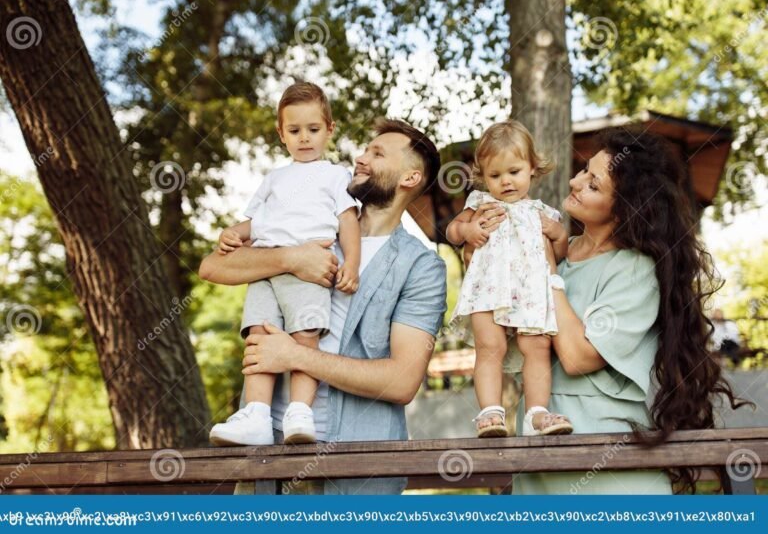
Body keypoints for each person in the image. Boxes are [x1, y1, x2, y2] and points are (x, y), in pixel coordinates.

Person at [198, 118, 447, 494]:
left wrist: (294, 356)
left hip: (360, 462)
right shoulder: (309, 222)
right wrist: (291, 258)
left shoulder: (421, 266)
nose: (361, 159)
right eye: (365, 150)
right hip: (268, 449)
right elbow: (212, 266)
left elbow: (401, 381)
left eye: (377, 153)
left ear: (410, 178)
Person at [504, 127, 745, 494]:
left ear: (624, 209)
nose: (574, 182)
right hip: (538, 460)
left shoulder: (633, 269)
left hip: (609, 467)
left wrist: (547, 272)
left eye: (593, 185)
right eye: (584, 170)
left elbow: (578, 357)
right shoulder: (558, 252)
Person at [208, 82, 361, 446]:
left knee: (305, 334)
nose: (304, 138)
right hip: (266, 269)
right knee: (258, 336)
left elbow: (348, 221)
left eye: (313, 129)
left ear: (330, 129)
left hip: (308, 266)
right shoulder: (273, 179)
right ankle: (256, 415)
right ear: (281, 133)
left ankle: (299, 412)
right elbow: (256, 224)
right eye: (294, 130)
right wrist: (232, 233)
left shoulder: (335, 175)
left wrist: (352, 263)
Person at [446, 121, 572, 438]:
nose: (505, 181)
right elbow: (452, 231)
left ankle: (536, 414)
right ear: (483, 177)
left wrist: (559, 234)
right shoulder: (480, 204)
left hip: (531, 292)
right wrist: (468, 230)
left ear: (532, 168)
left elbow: (558, 255)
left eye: (514, 172)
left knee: (537, 347)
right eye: (495, 175)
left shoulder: (543, 213)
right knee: (490, 347)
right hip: (488, 289)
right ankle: (490, 411)